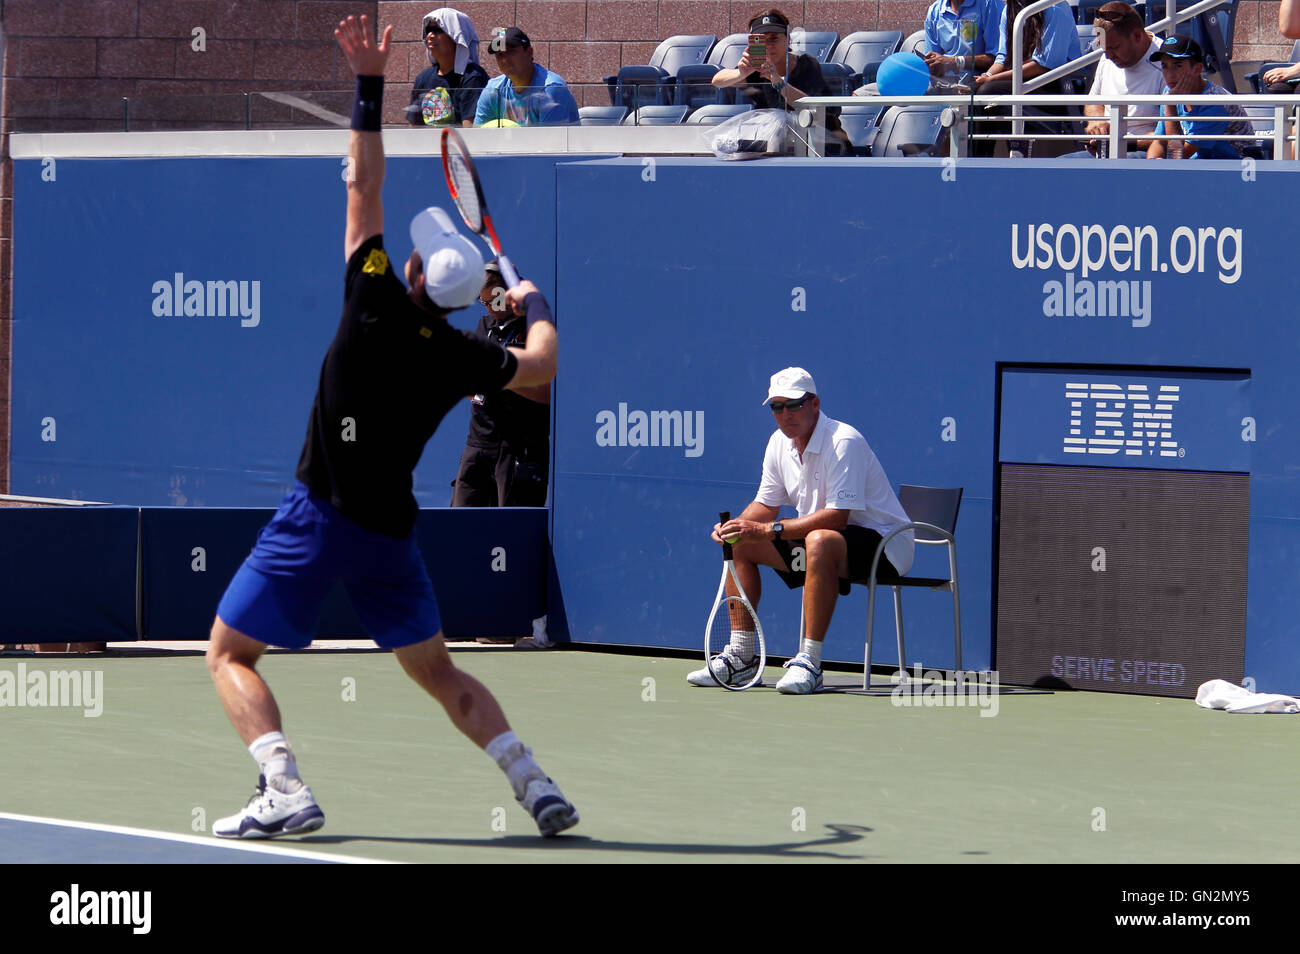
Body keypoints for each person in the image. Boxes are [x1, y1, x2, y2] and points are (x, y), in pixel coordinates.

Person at [206, 14, 577, 840]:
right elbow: (544, 363)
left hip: (315, 520)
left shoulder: (369, 292)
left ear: (411, 273)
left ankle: (283, 787)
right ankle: (535, 782)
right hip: (389, 536)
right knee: (442, 672)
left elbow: (362, 188)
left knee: (228, 652)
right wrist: (535, 307)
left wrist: (370, 84)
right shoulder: (463, 355)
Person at [687, 368, 914, 695]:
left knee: (820, 539)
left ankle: (810, 662)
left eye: (793, 405)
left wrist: (766, 529)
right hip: (827, 544)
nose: (785, 414)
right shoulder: (779, 443)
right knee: (741, 544)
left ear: (815, 404)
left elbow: (836, 519)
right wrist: (737, 527)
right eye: (777, 407)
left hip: (886, 547)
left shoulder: (843, 442)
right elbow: (764, 505)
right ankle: (742, 657)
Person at [451, 261, 551, 508]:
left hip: (517, 447)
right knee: (458, 525)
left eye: (493, 301)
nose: (488, 308)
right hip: (478, 442)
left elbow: (545, 390)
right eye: (482, 302)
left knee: (507, 532)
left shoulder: (536, 329)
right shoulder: (484, 326)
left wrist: (499, 378)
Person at [711, 9, 843, 151]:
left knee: (779, 121)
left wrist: (778, 82)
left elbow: (810, 106)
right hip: (775, 142)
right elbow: (717, 80)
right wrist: (741, 73)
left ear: (788, 40)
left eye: (774, 38)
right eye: (762, 39)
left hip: (819, 141)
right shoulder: (756, 68)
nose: (769, 45)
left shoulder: (806, 65)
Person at [971, 0, 1082, 156]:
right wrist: (986, 75)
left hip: (1059, 85)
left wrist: (991, 81)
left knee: (987, 91)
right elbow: (1002, 57)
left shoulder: (1055, 7)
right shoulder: (1009, 9)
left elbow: (1044, 65)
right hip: (1023, 81)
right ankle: (975, 161)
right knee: (975, 92)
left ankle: (981, 160)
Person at [1062, 2, 1163, 158]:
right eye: (1104, 49)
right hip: (1105, 151)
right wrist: (1096, 123)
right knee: (1059, 167)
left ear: (1137, 36)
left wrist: (1124, 143)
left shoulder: (1167, 64)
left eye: (1114, 48)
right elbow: (1093, 102)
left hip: (1143, 153)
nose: (1108, 56)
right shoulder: (1107, 57)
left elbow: (1173, 132)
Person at [1145, 34, 1252, 160]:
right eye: (1164, 66)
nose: (1170, 74)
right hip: (1199, 167)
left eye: (1178, 65)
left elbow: (1178, 156)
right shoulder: (1170, 92)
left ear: (1197, 69)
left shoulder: (1214, 103)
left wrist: (1170, 105)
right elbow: (1159, 141)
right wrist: (1152, 164)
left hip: (1232, 170)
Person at [474, 27, 579, 126]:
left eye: (511, 51)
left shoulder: (551, 89)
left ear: (529, 52)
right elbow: (478, 137)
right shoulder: (493, 90)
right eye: (500, 54)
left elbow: (552, 142)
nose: (505, 60)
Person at [407, 7, 488, 127]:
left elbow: (470, 130)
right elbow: (413, 127)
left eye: (438, 30)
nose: (430, 36)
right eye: (428, 30)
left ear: (456, 36)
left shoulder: (473, 77)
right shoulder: (423, 78)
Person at [922, 0, 1003, 92]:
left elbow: (1000, 59)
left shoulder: (990, 4)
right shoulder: (934, 10)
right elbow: (932, 62)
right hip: (941, 90)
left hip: (975, 90)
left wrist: (955, 62)